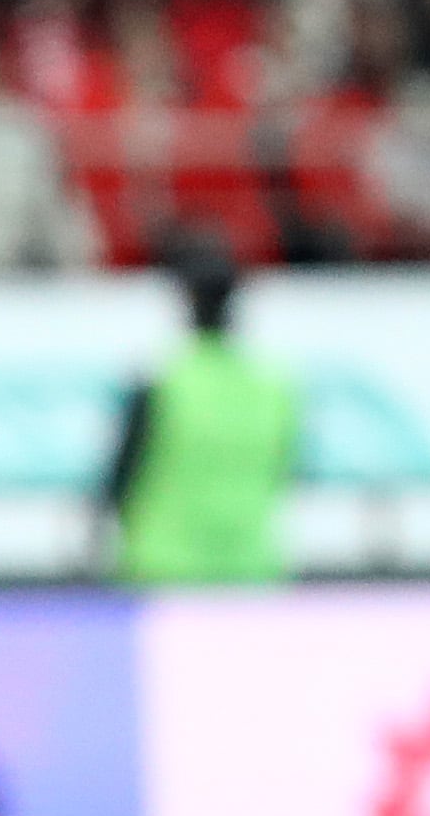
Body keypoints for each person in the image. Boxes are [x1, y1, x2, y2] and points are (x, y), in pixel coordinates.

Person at [101, 229, 302, 585]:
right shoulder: (275, 388)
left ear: (185, 303)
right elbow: (289, 471)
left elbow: (119, 481)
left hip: (163, 570)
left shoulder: (161, 385)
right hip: (250, 569)